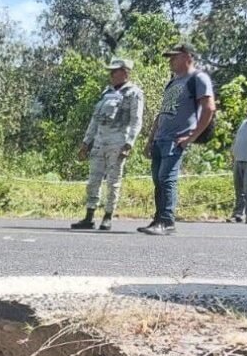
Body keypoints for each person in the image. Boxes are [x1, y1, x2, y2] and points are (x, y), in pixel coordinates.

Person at [139, 43, 215, 235]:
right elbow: (162, 113)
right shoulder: (173, 82)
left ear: (187, 57)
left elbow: (209, 108)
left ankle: (167, 221)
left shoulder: (198, 78)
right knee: (158, 180)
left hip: (176, 139)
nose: (170, 60)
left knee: (167, 178)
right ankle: (158, 219)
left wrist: (191, 136)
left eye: (174, 56)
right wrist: (150, 139)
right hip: (160, 138)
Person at [71, 58, 145, 231]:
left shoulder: (134, 93)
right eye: (111, 71)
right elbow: (95, 120)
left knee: (113, 181)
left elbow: (136, 120)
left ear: (125, 72)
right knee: (93, 181)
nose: (111, 74)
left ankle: (108, 216)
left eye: (115, 71)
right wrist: (86, 142)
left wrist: (129, 143)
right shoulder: (106, 92)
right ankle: (89, 216)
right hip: (99, 142)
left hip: (118, 143)